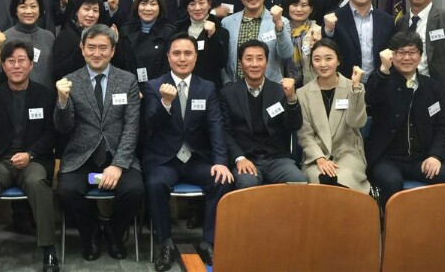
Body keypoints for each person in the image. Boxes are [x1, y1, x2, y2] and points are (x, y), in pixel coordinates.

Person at [0, 41, 60, 272]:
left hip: (32, 160)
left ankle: (49, 252)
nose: (16, 66)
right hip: (0, 160)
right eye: (10, 61)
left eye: (21, 60)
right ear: (4, 66)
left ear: (31, 64)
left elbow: (52, 134)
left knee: (37, 182)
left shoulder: (45, 94)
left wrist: (30, 154)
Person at [54, 24, 144, 262]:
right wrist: (62, 101)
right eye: (91, 47)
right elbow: (63, 127)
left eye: (103, 48)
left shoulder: (127, 80)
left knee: (134, 190)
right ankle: (90, 233)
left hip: (117, 154)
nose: (96, 53)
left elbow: (131, 127)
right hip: (81, 156)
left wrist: (119, 164)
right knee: (66, 191)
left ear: (112, 51)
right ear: (82, 48)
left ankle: (114, 233)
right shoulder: (69, 81)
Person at [143, 34, 232, 270]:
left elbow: (216, 126)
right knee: (156, 184)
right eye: (176, 53)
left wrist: (221, 161)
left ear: (195, 57)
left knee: (222, 180)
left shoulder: (207, 87)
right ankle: (165, 243)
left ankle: (208, 242)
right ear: (168, 57)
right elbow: (150, 123)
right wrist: (165, 103)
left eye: (188, 53)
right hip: (165, 160)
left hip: (196, 158)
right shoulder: (153, 86)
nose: (182, 58)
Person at [365, 32, 445, 207]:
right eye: (400, 52)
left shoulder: (433, 86)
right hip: (386, 158)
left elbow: (443, 125)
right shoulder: (382, 80)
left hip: (421, 159)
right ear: (391, 55)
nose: (407, 58)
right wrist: (384, 69)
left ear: (421, 55)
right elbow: (370, 97)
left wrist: (435, 156)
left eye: (412, 52)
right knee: (391, 182)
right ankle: (388, 222)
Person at [220, 40, 306, 189]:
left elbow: (293, 125)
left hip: (277, 159)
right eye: (249, 59)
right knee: (247, 183)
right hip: (246, 158)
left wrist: (291, 98)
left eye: (260, 58)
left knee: (298, 180)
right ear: (240, 63)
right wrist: (239, 158)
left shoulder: (280, 91)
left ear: (266, 62)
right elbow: (225, 132)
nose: (255, 64)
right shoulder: (228, 94)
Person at [295, 39, 370, 192]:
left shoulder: (353, 87)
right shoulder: (302, 93)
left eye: (328, 58)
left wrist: (356, 89)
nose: (323, 64)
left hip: (348, 154)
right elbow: (305, 135)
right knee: (321, 179)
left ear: (338, 61)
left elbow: (356, 123)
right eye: (317, 59)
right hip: (316, 157)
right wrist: (320, 158)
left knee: (343, 178)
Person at [221, 0, 293, 85]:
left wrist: (279, 26)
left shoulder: (281, 21)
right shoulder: (227, 23)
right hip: (235, 88)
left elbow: (287, 54)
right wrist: (227, 82)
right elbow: (222, 58)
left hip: (269, 88)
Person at [322, 0, 394, 82]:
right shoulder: (334, 18)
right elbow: (326, 50)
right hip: (344, 83)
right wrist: (328, 31)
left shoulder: (387, 20)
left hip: (379, 83)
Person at [0, 0, 56, 90]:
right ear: (15, 10)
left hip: (46, 96)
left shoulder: (49, 37)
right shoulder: (4, 37)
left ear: (40, 9)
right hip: (14, 95)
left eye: (33, 6)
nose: (29, 11)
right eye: (23, 7)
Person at [114, 0, 178, 89]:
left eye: (153, 4)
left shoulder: (169, 33)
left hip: (160, 88)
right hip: (130, 87)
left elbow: (169, 66)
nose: (148, 8)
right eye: (143, 3)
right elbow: (121, 64)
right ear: (137, 6)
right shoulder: (126, 30)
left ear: (160, 7)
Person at [176, 0, 229, 91]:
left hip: (209, 87)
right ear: (186, 7)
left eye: (201, 3)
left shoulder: (220, 30)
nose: (197, 8)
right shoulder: (178, 29)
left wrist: (213, 36)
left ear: (209, 4)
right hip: (181, 86)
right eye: (192, 4)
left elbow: (221, 62)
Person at [282, 0, 322, 87]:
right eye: (295, 5)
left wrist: (314, 47)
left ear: (311, 9)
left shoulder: (317, 31)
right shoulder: (280, 30)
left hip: (310, 83)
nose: (299, 9)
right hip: (282, 82)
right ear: (288, 7)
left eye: (304, 5)